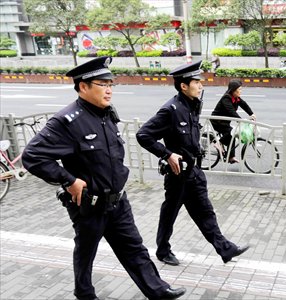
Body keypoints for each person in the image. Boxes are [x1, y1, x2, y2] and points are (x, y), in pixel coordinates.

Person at [21, 56, 186, 300]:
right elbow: (32, 156)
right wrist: (68, 180)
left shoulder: (107, 114)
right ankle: (84, 292)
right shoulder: (66, 121)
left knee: (135, 248)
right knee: (86, 252)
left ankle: (158, 290)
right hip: (89, 205)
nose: (109, 89)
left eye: (111, 84)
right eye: (102, 84)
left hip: (117, 201)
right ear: (83, 86)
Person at [136, 60, 250, 267]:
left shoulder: (193, 106)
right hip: (178, 175)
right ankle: (163, 250)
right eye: (197, 82)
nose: (201, 86)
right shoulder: (170, 110)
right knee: (169, 213)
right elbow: (143, 135)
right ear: (184, 86)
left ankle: (225, 249)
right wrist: (167, 154)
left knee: (205, 212)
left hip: (195, 172)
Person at [211, 79, 256, 164]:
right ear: (233, 90)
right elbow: (231, 111)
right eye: (239, 89)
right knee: (231, 132)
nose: (241, 91)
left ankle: (231, 157)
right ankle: (218, 143)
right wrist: (240, 120)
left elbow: (244, 104)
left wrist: (251, 113)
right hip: (217, 122)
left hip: (224, 122)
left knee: (232, 136)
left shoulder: (236, 98)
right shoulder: (226, 98)